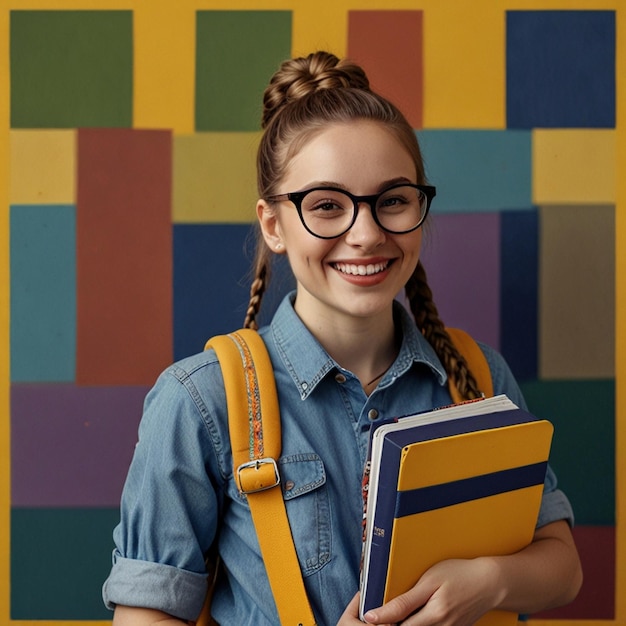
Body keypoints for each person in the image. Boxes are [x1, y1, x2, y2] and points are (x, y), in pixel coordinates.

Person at [103, 51, 582, 625]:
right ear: (274, 225)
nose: (367, 233)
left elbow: (562, 569)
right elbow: (146, 616)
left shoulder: (476, 377)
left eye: (393, 201)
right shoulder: (199, 402)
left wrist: (490, 580)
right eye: (327, 206)